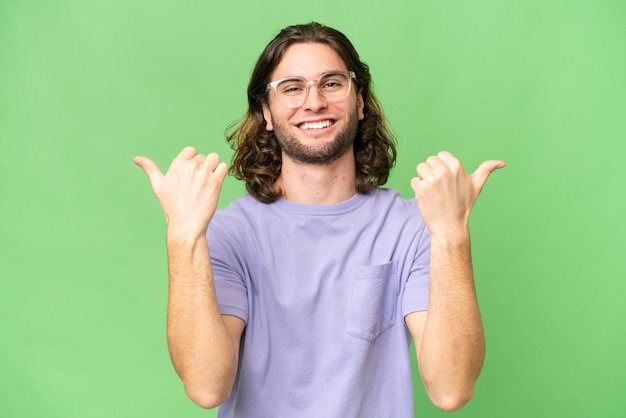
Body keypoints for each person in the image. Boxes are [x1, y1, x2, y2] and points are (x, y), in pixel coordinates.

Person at [133, 22, 505, 418]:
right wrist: (183, 236)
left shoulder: (414, 227)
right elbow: (207, 387)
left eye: (331, 83)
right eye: (292, 88)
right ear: (267, 112)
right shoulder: (230, 235)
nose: (313, 103)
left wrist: (451, 236)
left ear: (359, 102)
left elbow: (452, 390)